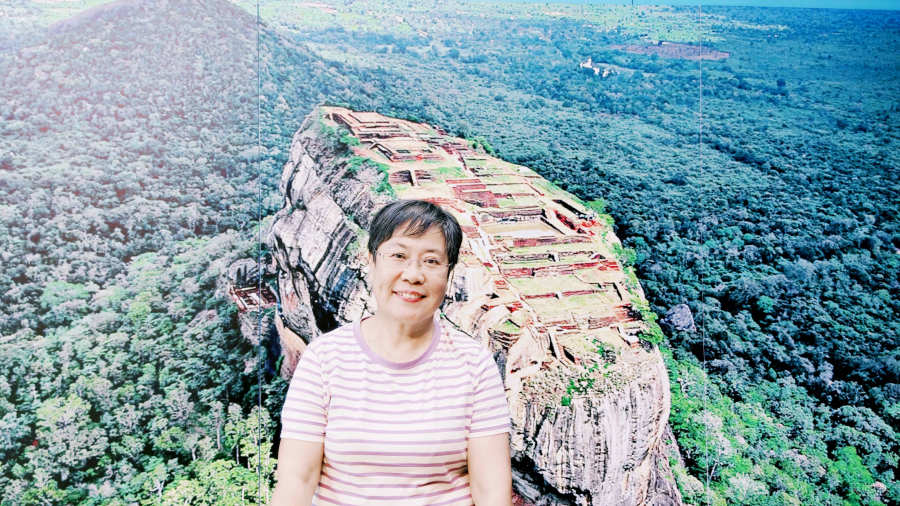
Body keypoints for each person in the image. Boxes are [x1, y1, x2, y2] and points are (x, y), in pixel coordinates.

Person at [271, 199, 513, 505]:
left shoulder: (474, 365)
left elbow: (491, 491)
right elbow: (296, 480)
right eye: (398, 255)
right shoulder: (324, 358)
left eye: (431, 261)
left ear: (449, 274)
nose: (413, 274)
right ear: (371, 262)